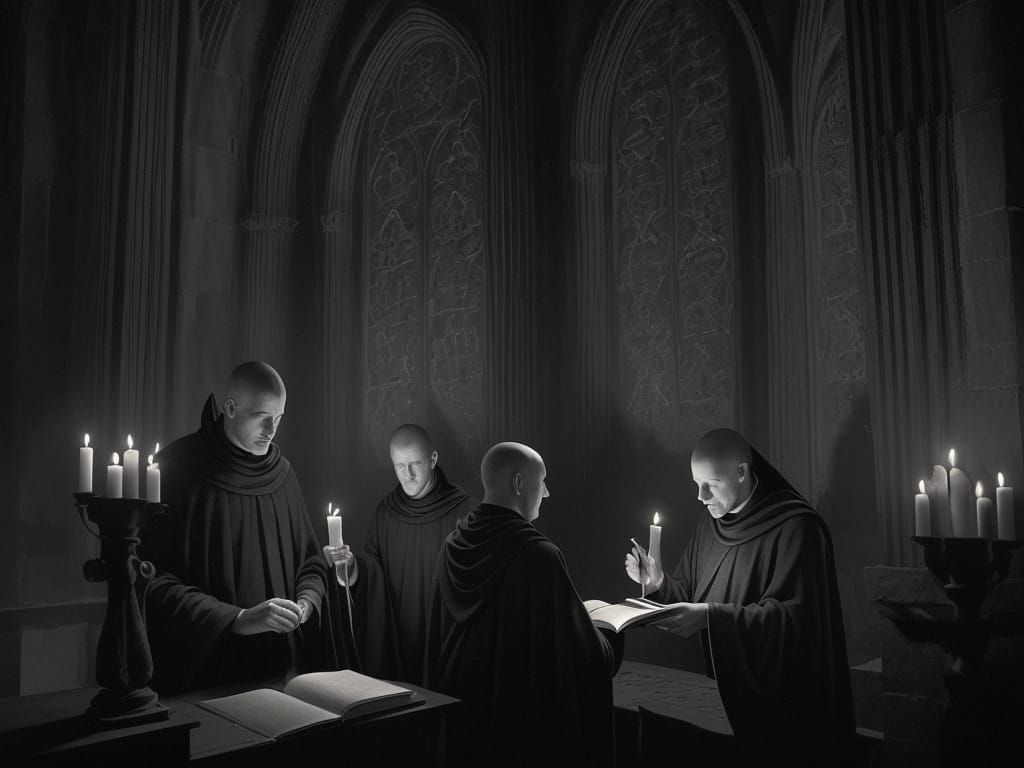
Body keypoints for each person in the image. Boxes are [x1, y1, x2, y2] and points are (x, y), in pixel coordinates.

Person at [625, 428, 855, 766]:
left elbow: (795, 625)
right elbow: (688, 596)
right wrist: (658, 580)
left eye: (711, 484)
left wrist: (711, 617)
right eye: (696, 484)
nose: (701, 496)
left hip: (781, 712)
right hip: (717, 701)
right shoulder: (710, 526)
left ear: (743, 472)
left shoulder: (797, 529)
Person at [426, 442, 623, 768]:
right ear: (518, 484)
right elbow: (583, 659)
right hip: (517, 719)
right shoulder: (538, 556)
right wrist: (608, 631)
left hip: (463, 706)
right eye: (542, 481)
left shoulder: (453, 545)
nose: (545, 492)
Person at [143, 362, 329, 694]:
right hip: (202, 677)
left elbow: (311, 562)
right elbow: (151, 579)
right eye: (262, 416)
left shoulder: (283, 475)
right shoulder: (176, 469)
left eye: (279, 418)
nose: (272, 430)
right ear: (230, 408)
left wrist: (306, 602)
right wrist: (238, 619)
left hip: (280, 674)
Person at [323, 424, 477, 683]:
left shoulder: (466, 513)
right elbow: (372, 575)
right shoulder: (385, 513)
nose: (409, 475)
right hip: (396, 642)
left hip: (445, 644)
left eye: (416, 463)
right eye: (400, 466)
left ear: (433, 459)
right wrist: (349, 567)